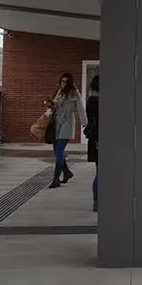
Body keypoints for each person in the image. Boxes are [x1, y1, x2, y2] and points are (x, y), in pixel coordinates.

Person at [45, 73, 87, 190]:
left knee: (59, 149)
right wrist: (49, 106)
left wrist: (85, 124)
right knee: (56, 151)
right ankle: (67, 172)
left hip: (67, 123)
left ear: (69, 83)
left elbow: (81, 109)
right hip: (56, 122)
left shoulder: (74, 93)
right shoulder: (59, 92)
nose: (63, 83)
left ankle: (56, 179)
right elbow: (53, 107)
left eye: (65, 82)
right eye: (62, 81)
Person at [84, 76, 99, 212]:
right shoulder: (100, 101)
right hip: (100, 140)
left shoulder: (90, 101)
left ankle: (96, 201)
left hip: (94, 140)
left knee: (99, 171)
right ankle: (98, 200)